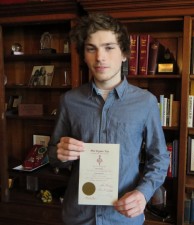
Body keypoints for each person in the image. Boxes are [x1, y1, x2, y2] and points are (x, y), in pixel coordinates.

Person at [48, 13, 170, 225]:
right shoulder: (69, 101)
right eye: (91, 48)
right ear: (83, 55)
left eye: (109, 47)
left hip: (123, 218)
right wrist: (60, 153)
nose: (100, 57)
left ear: (124, 53)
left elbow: (159, 158)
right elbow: (53, 154)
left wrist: (143, 193)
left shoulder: (146, 102)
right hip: (78, 216)